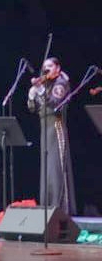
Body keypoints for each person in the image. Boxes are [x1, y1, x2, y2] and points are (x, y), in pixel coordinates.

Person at [27, 57, 75, 214]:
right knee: (46, 169)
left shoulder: (61, 83)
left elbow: (55, 103)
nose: (46, 69)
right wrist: (32, 96)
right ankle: (47, 206)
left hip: (56, 126)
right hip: (44, 127)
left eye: (49, 66)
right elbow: (33, 109)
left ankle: (60, 208)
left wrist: (41, 91)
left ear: (57, 68)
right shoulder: (46, 84)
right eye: (44, 67)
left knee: (56, 168)